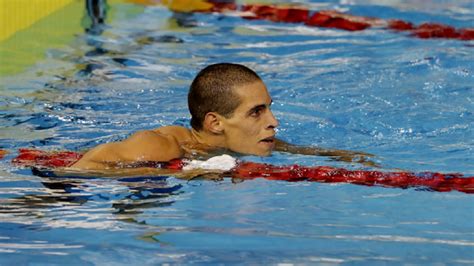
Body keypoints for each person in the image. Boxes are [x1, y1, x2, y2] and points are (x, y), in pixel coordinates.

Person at [72, 63, 372, 170]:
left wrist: (342, 157)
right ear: (215, 123)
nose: (274, 121)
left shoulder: (241, 141)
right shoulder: (160, 146)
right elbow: (82, 168)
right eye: (256, 111)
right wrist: (183, 170)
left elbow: (293, 149)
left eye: (268, 107)